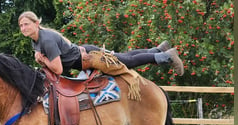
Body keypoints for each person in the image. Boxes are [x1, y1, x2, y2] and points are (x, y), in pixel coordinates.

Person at [18, 11, 184, 77]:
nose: (23, 28)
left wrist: (43, 61)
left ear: (36, 24)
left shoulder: (46, 39)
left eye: (26, 24)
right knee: (125, 56)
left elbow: (59, 70)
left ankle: (166, 56)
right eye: (21, 25)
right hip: (85, 55)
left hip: (90, 58)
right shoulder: (36, 40)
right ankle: (157, 49)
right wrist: (40, 58)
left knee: (127, 62)